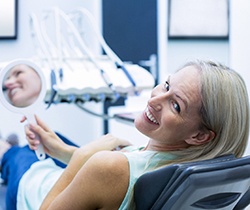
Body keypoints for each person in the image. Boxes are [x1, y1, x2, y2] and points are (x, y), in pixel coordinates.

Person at [0, 59, 249, 210]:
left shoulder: (108, 166)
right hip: (84, 184)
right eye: (166, 85)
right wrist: (65, 153)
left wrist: (81, 157)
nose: (154, 99)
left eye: (176, 105)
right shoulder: (187, 170)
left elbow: (102, 172)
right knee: (58, 140)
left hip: (32, 194)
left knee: (14, 154)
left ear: (199, 136)